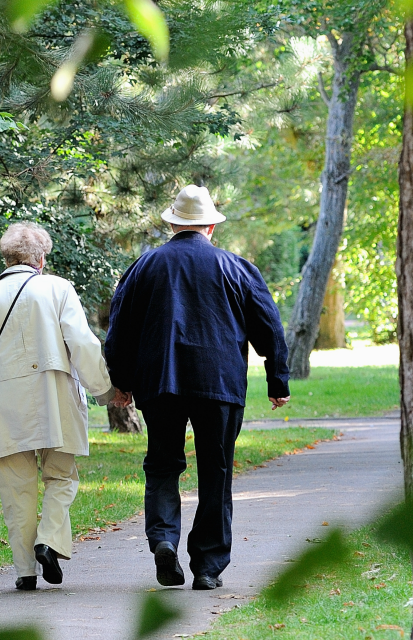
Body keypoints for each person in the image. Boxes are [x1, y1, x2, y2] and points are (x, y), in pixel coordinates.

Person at [104, 185, 290, 590]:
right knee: (216, 471)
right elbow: (268, 325)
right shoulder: (236, 267)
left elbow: (119, 329)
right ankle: (207, 566)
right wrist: (278, 378)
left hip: (160, 382)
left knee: (162, 465)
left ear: (172, 223)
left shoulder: (145, 265)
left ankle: (164, 539)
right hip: (218, 382)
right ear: (211, 227)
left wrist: (122, 382)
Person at [0, 222, 124, 591]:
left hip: (3, 406)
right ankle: (49, 540)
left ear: (6, 257)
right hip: (55, 397)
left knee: (16, 491)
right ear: (41, 258)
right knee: (61, 477)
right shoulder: (57, 288)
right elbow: (83, 345)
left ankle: (25, 571)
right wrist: (106, 392)